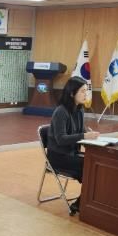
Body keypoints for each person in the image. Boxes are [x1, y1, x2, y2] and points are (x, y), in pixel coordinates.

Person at [47, 76, 100, 215]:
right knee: (91, 166)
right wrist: (84, 136)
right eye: (82, 91)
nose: (86, 94)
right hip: (58, 157)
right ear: (72, 93)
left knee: (97, 163)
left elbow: (81, 131)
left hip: (72, 153)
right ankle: (83, 203)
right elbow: (61, 139)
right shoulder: (61, 111)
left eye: (86, 91)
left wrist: (89, 135)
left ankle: (85, 202)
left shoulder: (79, 110)